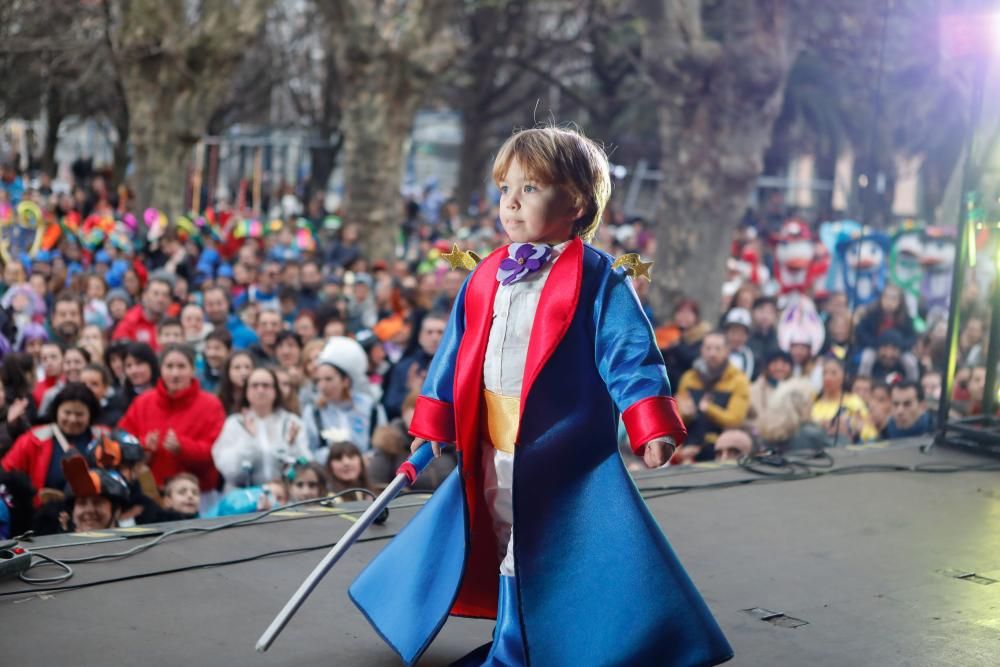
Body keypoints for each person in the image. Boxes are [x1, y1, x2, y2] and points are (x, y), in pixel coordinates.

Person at [353, 128, 731, 667]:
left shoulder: (597, 277)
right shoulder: (486, 274)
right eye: (505, 187)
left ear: (575, 201)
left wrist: (649, 421)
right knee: (504, 536)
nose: (509, 201)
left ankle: (519, 652)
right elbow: (454, 355)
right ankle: (520, 642)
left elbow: (628, 351)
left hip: (558, 446)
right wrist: (433, 426)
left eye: (529, 188)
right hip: (491, 441)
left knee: (542, 548)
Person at [118, 344, 225, 508]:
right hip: (152, 495)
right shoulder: (143, 402)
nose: (175, 373)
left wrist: (183, 448)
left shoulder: (211, 405)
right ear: (160, 369)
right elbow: (120, 441)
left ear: (193, 370)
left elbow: (217, 451)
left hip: (198, 496)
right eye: (169, 367)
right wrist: (143, 447)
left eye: (181, 366)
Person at [2, 382, 107, 506]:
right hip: (43, 516)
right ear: (56, 411)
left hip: (93, 515)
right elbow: (6, 470)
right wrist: (30, 493)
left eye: (79, 414)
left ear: (90, 415)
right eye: (67, 413)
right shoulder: (33, 438)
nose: (72, 419)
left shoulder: (104, 439)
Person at [212, 367, 310, 492]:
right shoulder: (235, 423)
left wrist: (292, 446)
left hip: (284, 497)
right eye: (254, 385)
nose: (260, 390)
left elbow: (305, 466)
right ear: (246, 391)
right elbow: (229, 470)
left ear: (275, 390)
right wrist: (248, 440)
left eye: (266, 385)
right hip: (245, 498)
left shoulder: (291, 422)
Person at [304, 336, 387, 459]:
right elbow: (309, 450)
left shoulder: (371, 408)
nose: (322, 386)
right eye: (318, 380)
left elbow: (382, 447)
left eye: (329, 379)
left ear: (345, 381)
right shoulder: (313, 412)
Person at [675, 331, 751, 463]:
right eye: (708, 348)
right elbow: (675, 420)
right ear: (701, 350)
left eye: (717, 349)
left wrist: (709, 409)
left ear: (727, 351)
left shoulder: (738, 380)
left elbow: (735, 420)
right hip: (690, 450)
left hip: (722, 451)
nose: (712, 353)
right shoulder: (689, 378)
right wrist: (686, 414)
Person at [380, 312, 446, 419]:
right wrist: (412, 393)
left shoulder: (454, 367)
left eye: (440, 332)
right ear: (420, 336)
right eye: (429, 332)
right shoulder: (404, 366)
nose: (434, 338)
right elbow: (390, 404)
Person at [810, 357, 877, 443]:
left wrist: (851, 426)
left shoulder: (854, 401)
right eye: (824, 373)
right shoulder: (813, 402)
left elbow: (871, 433)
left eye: (833, 373)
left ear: (844, 376)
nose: (828, 377)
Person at [111, 272, 173, 350]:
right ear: (144, 296)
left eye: (165, 295)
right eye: (155, 294)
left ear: (170, 301)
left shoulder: (172, 323)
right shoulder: (129, 322)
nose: (160, 299)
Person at [202, 286, 257, 350]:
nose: (215, 308)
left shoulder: (247, 334)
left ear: (228, 303)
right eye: (210, 304)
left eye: (219, 303)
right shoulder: (199, 333)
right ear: (204, 306)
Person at [749, 348, 792, 424]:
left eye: (784, 363)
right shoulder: (752, 390)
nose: (779, 368)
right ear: (766, 367)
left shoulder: (797, 390)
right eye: (774, 363)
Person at [121, 342, 160, 410]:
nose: (134, 370)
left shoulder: (166, 392)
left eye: (139, 363)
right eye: (128, 366)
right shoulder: (121, 400)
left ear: (151, 364)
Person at [217, 350, 255, 415]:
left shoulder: (259, 396)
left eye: (247, 367)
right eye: (237, 368)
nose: (244, 373)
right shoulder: (218, 399)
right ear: (227, 371)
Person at [722, 307, 755, 379]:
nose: (736, 338)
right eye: (733, 332)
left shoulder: (752, 356)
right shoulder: (717, 351)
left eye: (741, 334)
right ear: (726, 332)